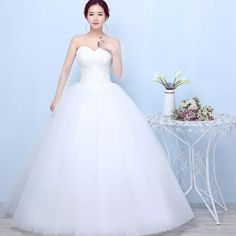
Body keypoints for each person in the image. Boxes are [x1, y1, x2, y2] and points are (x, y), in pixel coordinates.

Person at [2, 0, 194, 235]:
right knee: (76, 155)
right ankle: (74, 212)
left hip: (108, 95)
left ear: (106, 17)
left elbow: (119, 73)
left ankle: (116, 211)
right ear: (86, 17)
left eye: (99, 14)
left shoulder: (114, 42)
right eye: (91, 13)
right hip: (80, 97)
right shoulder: (77, 40)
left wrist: (113, 51)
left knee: (112, 155)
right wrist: (57, 98)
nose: (95, 17)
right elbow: (64, 69)